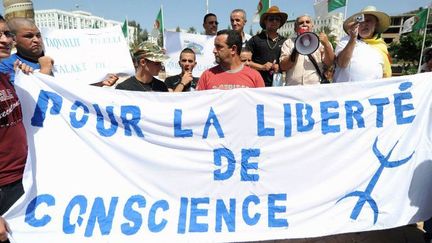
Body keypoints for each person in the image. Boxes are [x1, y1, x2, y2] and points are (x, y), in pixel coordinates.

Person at [333, 6, 392, 82]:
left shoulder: (381, 47)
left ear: (376, 24)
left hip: (371, 92)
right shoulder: (346, 40)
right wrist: (353, 38)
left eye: (368, 21)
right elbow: (342, 63)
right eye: (361, 21)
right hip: (345, 92)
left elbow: (386, 76)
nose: (364, 24)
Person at [197, 29, 265, 90]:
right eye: (215, 46)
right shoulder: (207, 76)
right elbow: (199, 102)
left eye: (219, 47)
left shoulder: (255, 76)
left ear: (233, 49)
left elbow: (261, 102)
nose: (214, 51)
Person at [279, 15, 334, 85]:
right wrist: (295, 50)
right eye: (301, 23)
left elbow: (329, 63)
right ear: (295, 28)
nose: (304, 24)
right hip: (293, 87)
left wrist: (327, 45)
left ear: (312, 26)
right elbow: (283, 66)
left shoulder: (321, 42)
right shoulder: (288, 43)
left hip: (314, 87)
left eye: (307, 22)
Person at [246, 6, 287, 87]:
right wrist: (262, 67)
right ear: (265, 21)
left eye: (277, 19)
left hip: (278, 85)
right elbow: (245, 62)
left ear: (280, 22)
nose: (274, 21)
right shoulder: (255, 39)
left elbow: (289, 63)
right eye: (271, 19)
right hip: (258, 84)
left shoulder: (285, 41)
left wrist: (281, 67)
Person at [0, 18, 44, 83]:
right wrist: (45, 70)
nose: (36, 40)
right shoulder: (5, 63)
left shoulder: (57, 55)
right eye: (29, 36)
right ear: (14, 40)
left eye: (38, 35)